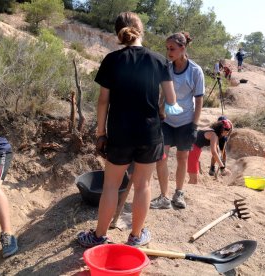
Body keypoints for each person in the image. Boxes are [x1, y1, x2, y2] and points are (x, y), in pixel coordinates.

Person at [77, 12, 180, 248]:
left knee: (111, 185)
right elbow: (172, 99)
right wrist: (161, 107)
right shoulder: (158, 60)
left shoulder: (111, 60)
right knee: (143, 185)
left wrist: (100, 133)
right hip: (149, 133)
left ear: (118, 33)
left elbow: (103, 101)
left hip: (120, 133)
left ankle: (98, 236)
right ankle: (135, 237)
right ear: (140, 29)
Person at [150, 31, 204, 210]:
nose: (169, 52)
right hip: (166, 120)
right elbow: (164, 93)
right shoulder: (167, 67)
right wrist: (159, 112)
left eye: (172, 48)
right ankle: (164, 197)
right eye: (167, 49)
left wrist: (194, 126)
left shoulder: (195, 71)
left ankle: (179, 193)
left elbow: (199, 100)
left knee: (182, 157)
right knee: (161, 158)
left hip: (185, 122)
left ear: (183, 48)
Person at [187, 119, 233, 184]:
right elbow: (214, 152)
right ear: (222, 130)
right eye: (227, 132)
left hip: (190, 147)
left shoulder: (210, 130)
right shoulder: (214, 135)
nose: (227, 134)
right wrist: (222, 167)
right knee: (194, 180)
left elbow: (216, 150)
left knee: (195, 178)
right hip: (193, 150)